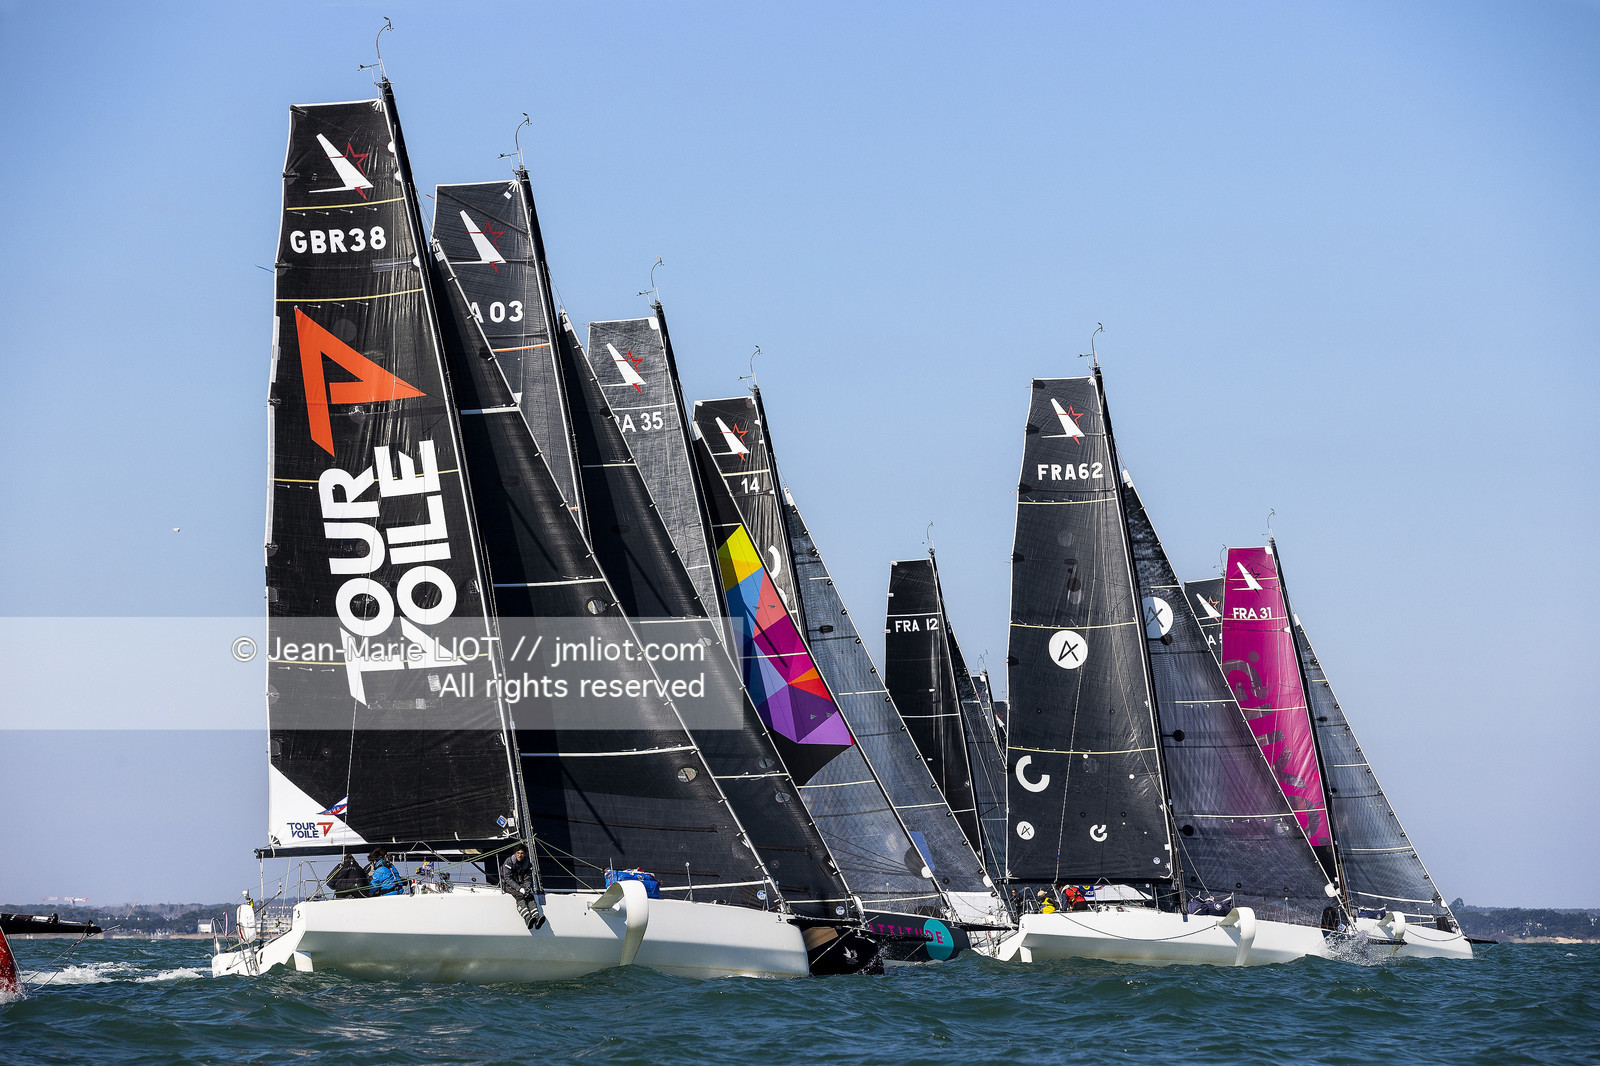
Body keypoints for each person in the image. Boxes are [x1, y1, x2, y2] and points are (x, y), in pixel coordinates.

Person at [499, 844, 546, 930]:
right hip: (507, 885)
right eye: (518, 853)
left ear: (525, 854)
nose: (520, 855)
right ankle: (528, 918)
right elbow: (507, 878)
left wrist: (527, 888)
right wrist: (519, 889)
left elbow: (528, 878)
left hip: (520, 883)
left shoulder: (527, 863)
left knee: (529, 896)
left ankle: (536, 917)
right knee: (519, 895)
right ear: (515, 853)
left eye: (522, 853)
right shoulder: (509, 862)